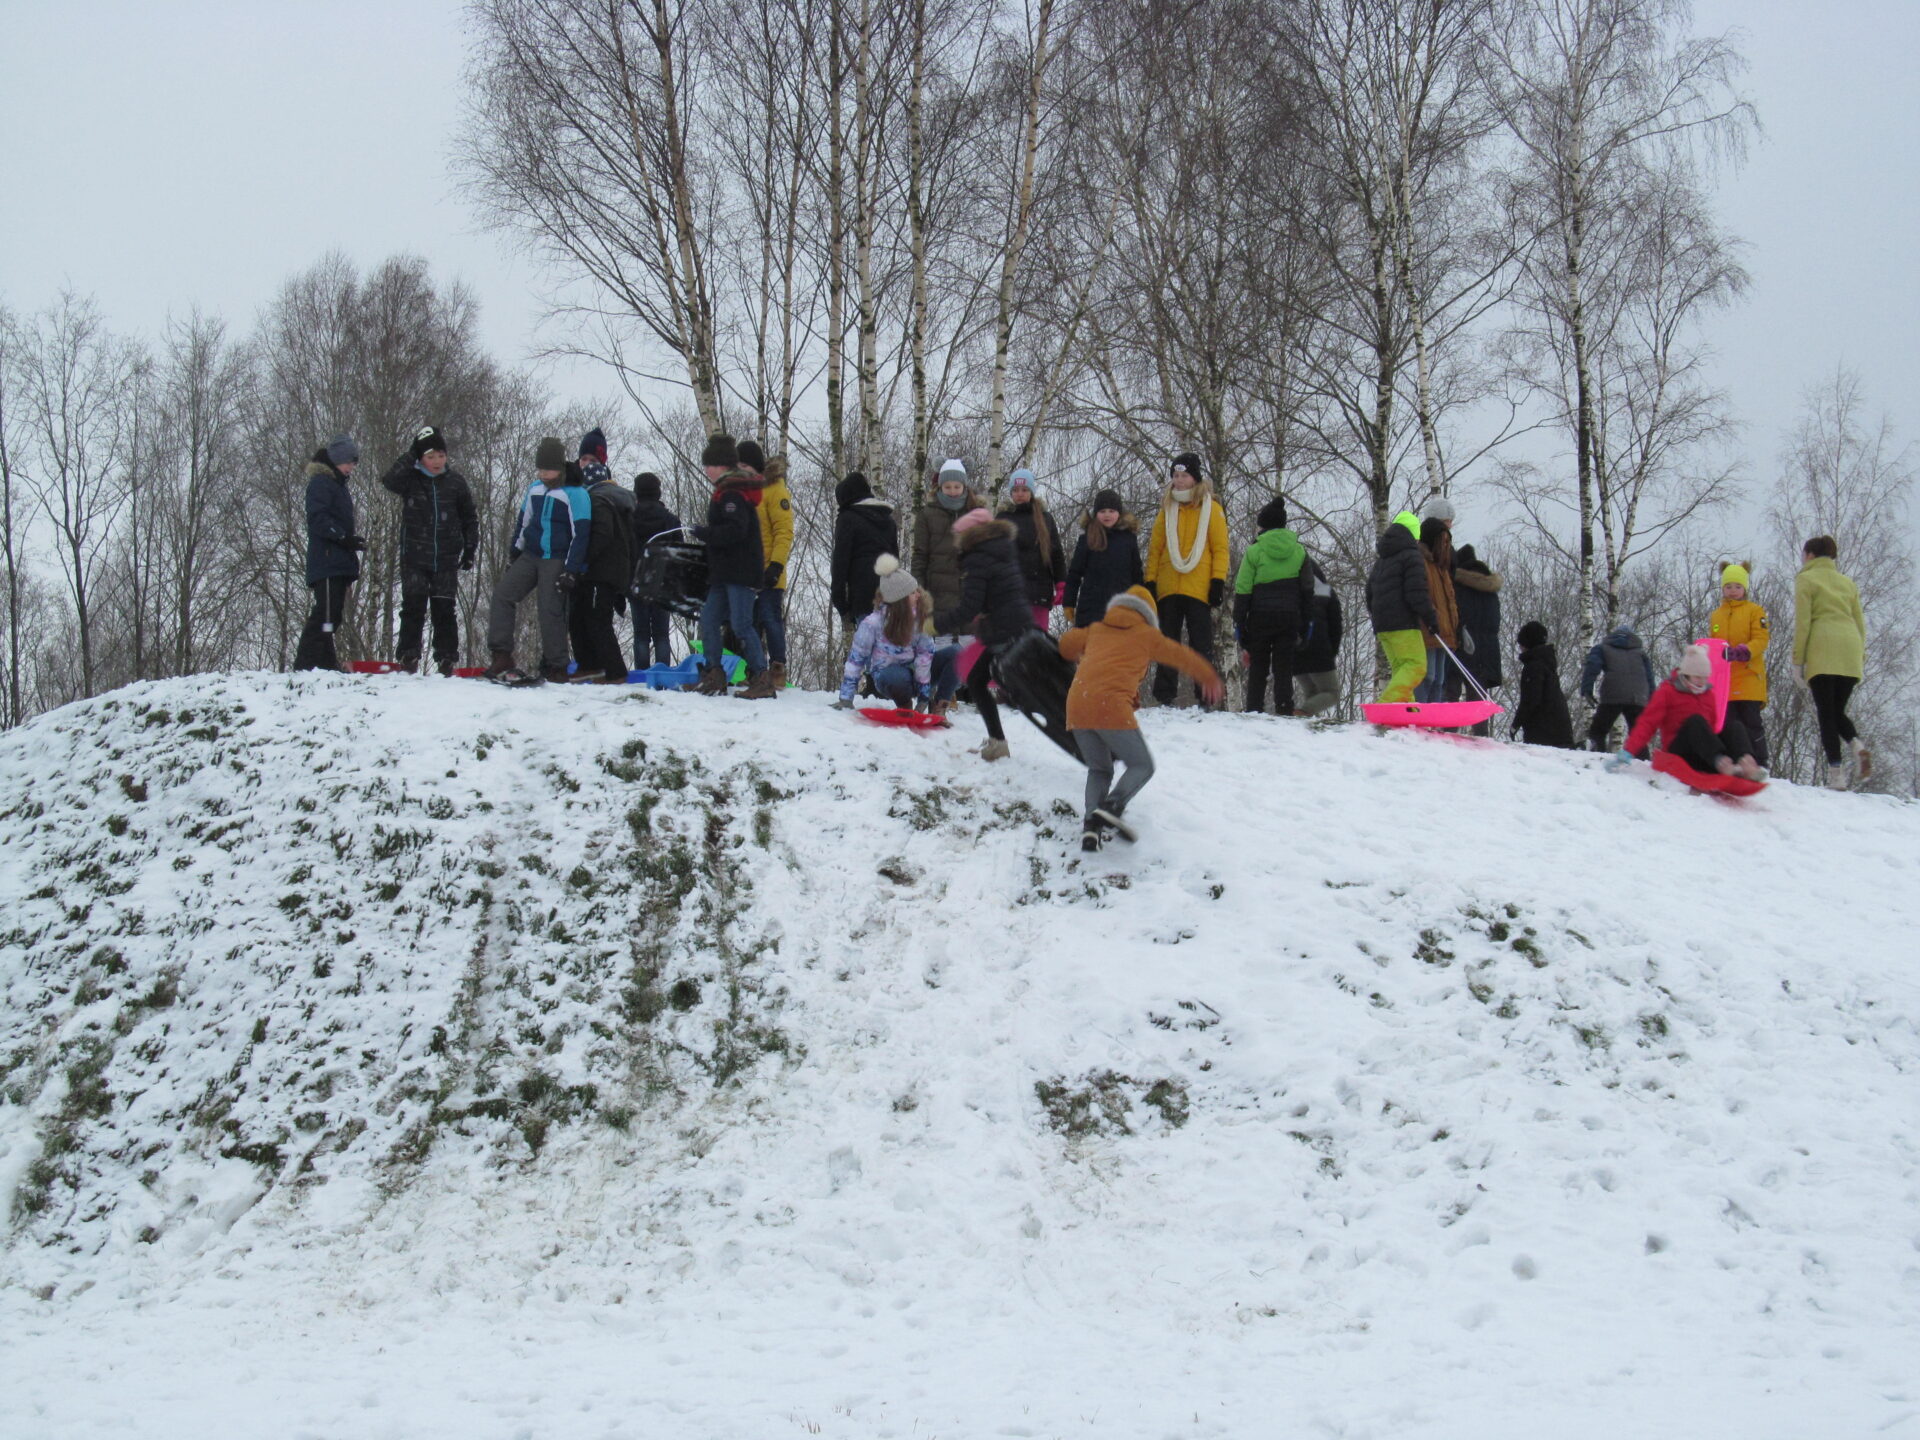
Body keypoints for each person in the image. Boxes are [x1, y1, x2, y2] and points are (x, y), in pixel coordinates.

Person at [1059, 585, 1223, 851]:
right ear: (1148, 615)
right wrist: (1208, 676)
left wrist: (1080, 651)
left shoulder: (1096, 629)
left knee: (1099, 769)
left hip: (1077, 706)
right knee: (1142, 765)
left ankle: (1091, 827)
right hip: (1109, 706)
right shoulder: (1146, 635)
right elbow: (1181, 655)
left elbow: (1066, 644)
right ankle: (1112, 806)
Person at [486, 438, 591, 685]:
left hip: (556, 557)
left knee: (549, 609)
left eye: (548, 469)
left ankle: (558, 666)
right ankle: (501, 655)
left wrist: (571, 570)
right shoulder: (535, 489)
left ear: (560, 468)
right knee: (503, 595)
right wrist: (515, 551)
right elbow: (524, 522)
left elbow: (581, 533)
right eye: (540, 469)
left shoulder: (575, 493)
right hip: (531, 554)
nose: (543, 474)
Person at [933, 506, 1035, 760]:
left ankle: (999, 742)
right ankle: (997, 740)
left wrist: (936, 625)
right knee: (982, 681)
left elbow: (969, 607)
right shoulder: (1003, 548)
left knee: (980, 682)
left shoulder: (977, 558)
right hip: (1018, 624)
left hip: (1002, 629)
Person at [380, 425, 479, 676]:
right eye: (430, 456)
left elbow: (469, 517)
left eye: (441, 456)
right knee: (413, 607)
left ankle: (446, 659)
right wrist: (412, 452)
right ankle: (408, 656)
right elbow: (390, 480)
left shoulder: (455, 482)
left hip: (446, 558)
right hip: (414, 555)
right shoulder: (411, 480)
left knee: (444, 610)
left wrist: (469, 549)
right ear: (421, 458)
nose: (436, 461)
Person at [687, 433, 775, 699]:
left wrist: (705, 534)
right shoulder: (727, 491)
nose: (706, 470)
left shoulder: (733, 495)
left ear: (721, 466)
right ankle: (714, 673)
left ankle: (762, 676)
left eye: (708, 465)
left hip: (740, 571)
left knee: (741, 624)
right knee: (709, 620)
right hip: (724, 572)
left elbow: (734, 532)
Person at [1143, 452, 1230, 706]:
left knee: (1200, 644)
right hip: (1169, 587)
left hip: (1198, 587)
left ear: (1195, 478)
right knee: (1168, 642)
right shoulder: (1167, 510)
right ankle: (1164, 695)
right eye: (1175, 476)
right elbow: (1156, 548)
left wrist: (1217, 581)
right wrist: (1150, 580)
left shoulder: (1211, 509)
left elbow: (1220, 549)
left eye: (1184, 476)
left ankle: (1204, 697)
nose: (1179, 481)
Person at [1610, 643, 1763, 782]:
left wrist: (1726, 744)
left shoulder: (1707, 694)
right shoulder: (1668, 691)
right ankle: (1721, 763)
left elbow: (1712, 727)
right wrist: (1629, 750)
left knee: (1734, 726)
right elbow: (1648, 723)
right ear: (1687, 674)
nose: (1702, 682)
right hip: (1680, 750)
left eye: (1705, 678)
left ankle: (1747, 763)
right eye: (1697, 677)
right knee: (1695, 721)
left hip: (1704, 750)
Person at [831, 558, 959, 714]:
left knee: (957, 653)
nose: (918, 595)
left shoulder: (920, 621)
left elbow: (925, 659)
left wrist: (923, 698)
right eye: (913, 592)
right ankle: (904, 704)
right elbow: (856, 660)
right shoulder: (872, 624)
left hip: (918, 676)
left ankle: (939, 706)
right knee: (894, 675)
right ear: (900, 599)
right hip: (890, 678)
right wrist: (846, 698)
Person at [1792, 535, 1869, 790]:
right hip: (1850, 648)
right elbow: (1859, 622)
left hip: (1823, 649)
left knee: (1826, 713)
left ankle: (1836, 774)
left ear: (1811, 555)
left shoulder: (1806, 579)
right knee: (1836, 711)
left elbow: (1803, 623)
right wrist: (1861, 654)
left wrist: (1797, 662)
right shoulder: (1848, 583)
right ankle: (1856, 745)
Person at [1231, 496, 1311, 715]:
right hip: (1289, 616)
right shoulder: (1299, 551)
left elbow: (1243, 588)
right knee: (1283, 666)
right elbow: (1307, 589)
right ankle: (1284, 708)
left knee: (1258, 666)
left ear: (1264, 525)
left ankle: (1254, 709)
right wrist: (1307, 621)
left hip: (1260, 616)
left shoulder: (1254, 551)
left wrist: (1239, 620)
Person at [569, 429, 637, 683]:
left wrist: (584, 560)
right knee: (583, 616)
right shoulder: (607, 498)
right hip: (607, 569)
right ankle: (591, 663)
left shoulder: (599, 500)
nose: (586, 464)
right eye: (583, 459)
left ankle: (615, 670)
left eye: (592, 461)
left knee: (598, 618)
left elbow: (604, 535)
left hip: (603, 570)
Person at [293, 434, 365, 672]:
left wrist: (348, 543)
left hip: (337, 561)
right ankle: (305, 663)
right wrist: (342, 537)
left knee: (331, 616)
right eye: (349, 462)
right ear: (336, 461)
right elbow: (318, 518)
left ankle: (324, 662)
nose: (351, 467)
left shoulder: (337, 485)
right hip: (326, 560)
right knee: (325, 614)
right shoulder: (321, 483)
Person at [738, 440, 794, 687]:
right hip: (748, 571)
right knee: (749, 621)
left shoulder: (775, 490)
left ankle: (777, 668)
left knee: (770, 617)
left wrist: (776, 565)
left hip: (770, 569)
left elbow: (783, 531)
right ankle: (755, 669)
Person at [1365, 511, 1436, 703]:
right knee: (1416, 665)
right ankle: (1385, 705)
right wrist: (1430, 618)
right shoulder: (1411, 556)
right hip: (1403, 624)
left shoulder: (1382, 559)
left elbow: (1369, 592)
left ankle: (1407, 710)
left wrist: (1378, 617)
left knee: (1400, 670)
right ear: (1415, 535)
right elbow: (1416, 592)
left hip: (1383, 626)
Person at [1706, 562, 1770, 770]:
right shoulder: (1716, 615)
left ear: (1744, 589)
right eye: (1728, 586)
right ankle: (1736, 760)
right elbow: (1713, 643)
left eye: (1737, 587)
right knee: (1729, 723)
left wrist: (1745, 650)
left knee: (1751, 721)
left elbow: (1761, 638)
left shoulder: (1755, 611)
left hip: (1749, 677)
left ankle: (1759, 761)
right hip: (1724, 680)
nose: (1732, 591)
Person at [912, 459, 983, 620]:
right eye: (947, 487)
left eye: (957, 486)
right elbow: (919, 555)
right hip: (937, 593)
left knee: (971, 641)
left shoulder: (977, 513)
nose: (952, 491)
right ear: (940, 487)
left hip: (970, 592)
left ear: (964, 486)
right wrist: (918, 588)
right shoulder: (926, 515)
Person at [1062, 488, 1142, 630]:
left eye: (1111, 511)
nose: (1107, 515)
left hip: (1122, 608)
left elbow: (1137, 575)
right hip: (1090, 610)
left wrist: (1143, 604)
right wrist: (1069, 602)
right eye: (1102, 511)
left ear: (1119, 513)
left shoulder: (1129, 539)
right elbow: (1074, 574)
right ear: (1095, 514)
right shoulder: (1086, 539)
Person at [830, 470, 898, 632]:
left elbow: (841, 560)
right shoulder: (888, 520)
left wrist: (839, 600)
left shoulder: (847, 519)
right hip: (890, 594)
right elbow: (895, 559)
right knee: (888, 647)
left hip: (862, 595)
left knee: (867, 647)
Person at [998, 467, 1065, 631]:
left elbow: (1056, 555)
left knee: (1038, 641)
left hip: (1039, 592)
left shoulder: (1045, 518)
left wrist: (1062, 584)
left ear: (1031, 492)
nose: (1020, 494)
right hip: (1011, 592)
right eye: (1015, 490)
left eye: (1024, 490)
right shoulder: (1003, 518)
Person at [629, 471, 682, 669]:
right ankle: (663, 674)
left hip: (635, 581)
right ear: (658, 492)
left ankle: (641, 675)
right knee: (661, 634)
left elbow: (624, 552)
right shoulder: (670, 520)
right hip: (662, 581)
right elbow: (679, 553)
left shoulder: (629, 519)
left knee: (640, 633)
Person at [1578, 624, 1656, 752]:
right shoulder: (1641, 653)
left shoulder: (1602, 648)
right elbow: (1649, 677)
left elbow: (1593, 666)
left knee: (1598, 731)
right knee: (1637, 735)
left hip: (1613, 694)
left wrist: (1587, 688)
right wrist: (1652, 699)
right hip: (1638, 696)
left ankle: (1596, 757)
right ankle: (1641, 763)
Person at [1452, 544, 1502, 729]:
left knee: (1452, 688)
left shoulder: (1458, 586)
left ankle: (1449, 731)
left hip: (1462, 644)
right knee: (1479, 694)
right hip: (1487, 647)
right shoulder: (1491, 591)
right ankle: (1481, 736)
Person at [1416, 516, 1461, 703]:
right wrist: (1431, 618)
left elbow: (1450, 600)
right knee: (1429, 675)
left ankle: (1433, 719)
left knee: (1440, 679)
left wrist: (1456, 625)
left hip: (1445, 631)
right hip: (1429, 629)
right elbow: (1422, 595)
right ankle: (1421, 715)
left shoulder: (1442, 566)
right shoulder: (1422, 563)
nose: (1445, 546)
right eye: (1442, 541)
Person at [1511, 620, 1575, 748]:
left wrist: (1516, 724)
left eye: (1521, 643)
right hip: (1560, 728)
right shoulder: (1547, 662)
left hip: (1544, 732)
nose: (1520, 647)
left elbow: (1531, 700)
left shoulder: (1534, 666)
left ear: (1527, 643)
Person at [1294, 559, 1343, 717]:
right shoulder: (1326, 591)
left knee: (1312, 692)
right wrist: (1332, 652)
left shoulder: (1289, 592)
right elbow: (1336, 626)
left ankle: (1307, 727)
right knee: (1332, 693)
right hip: (1319, 649)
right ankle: (1300, 713)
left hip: (1294, 649)